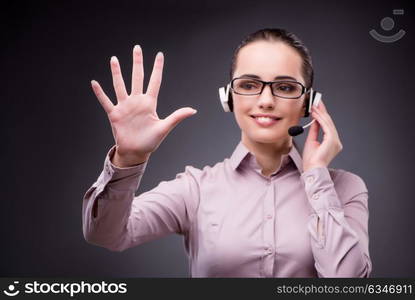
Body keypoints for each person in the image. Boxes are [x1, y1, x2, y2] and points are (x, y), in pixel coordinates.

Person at [82, 28, 372, 277]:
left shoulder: (344, 188)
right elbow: (105, 234)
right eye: (249, 85)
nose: (266, 100)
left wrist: (317, 177)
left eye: (284, 87)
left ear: (309, 102)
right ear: (228, 97)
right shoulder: (195, 189)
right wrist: (128, 159)